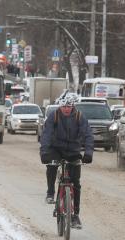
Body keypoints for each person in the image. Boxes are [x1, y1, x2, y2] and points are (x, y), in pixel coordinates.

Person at [39, 93, 94, 229]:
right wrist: (44, 152)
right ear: (60, 106)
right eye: (64, 106)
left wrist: (88, 153)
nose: (66, 109)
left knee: (76, 183)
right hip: (56, 149)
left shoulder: (79, 117)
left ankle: (75, 216)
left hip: (73, 151)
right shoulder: (54, 116)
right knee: (51, 166)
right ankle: (50, 193)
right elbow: (46, 134)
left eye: (69, 106)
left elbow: (88, 135)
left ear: (73, 106)